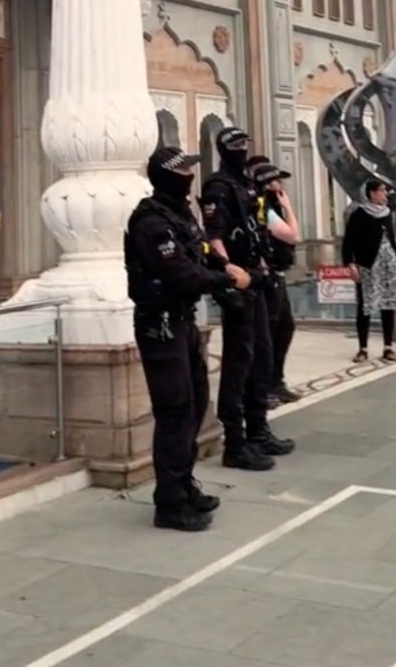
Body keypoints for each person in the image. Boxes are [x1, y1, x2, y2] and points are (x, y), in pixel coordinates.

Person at [125, 145, 251, 532]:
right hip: (159, 325)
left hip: (181, 322)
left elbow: (199, 253)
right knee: (175, 410)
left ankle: (183, 484)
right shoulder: (150, 222)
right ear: (167, 176)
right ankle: (169, 501)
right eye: (183, 171)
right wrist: (229, 278)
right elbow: (182, 274)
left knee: (195, 406)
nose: (190, 176)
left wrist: (223, 264)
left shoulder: (179, 214)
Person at [200, 127, 295, 470]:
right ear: (225, 150)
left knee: (262, 359)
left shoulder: (246, 185)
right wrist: (228, 273)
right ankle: (236, 443)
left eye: (245, 145)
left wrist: (264, 264)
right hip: (239, 282)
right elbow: (215, 236)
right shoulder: (218, 187)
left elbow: (257, 228)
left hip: (258, 278)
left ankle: (258, 431)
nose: (242, 150)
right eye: (236, 146)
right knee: (239, 362)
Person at [248, 157, 301, 408]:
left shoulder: (270, 207)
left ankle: (275, 380)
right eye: (277, 182)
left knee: (284, 328)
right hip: (268, 278)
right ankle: (264, 385)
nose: (281, 186)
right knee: (268, 333)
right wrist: (288, 206)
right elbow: (293, 235)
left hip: (278, 275)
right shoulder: (264, 207)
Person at [341, 179, 396, 363]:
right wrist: (350, 263)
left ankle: (388, 346)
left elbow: (392, 239)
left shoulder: (387, 214)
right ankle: (363, 348)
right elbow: (349, 241)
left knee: (388, 304)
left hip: (388, 263)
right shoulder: (359, 214)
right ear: (372, 193)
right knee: (365, 306)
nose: (385, 194)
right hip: (368, 264)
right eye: (382, 191)